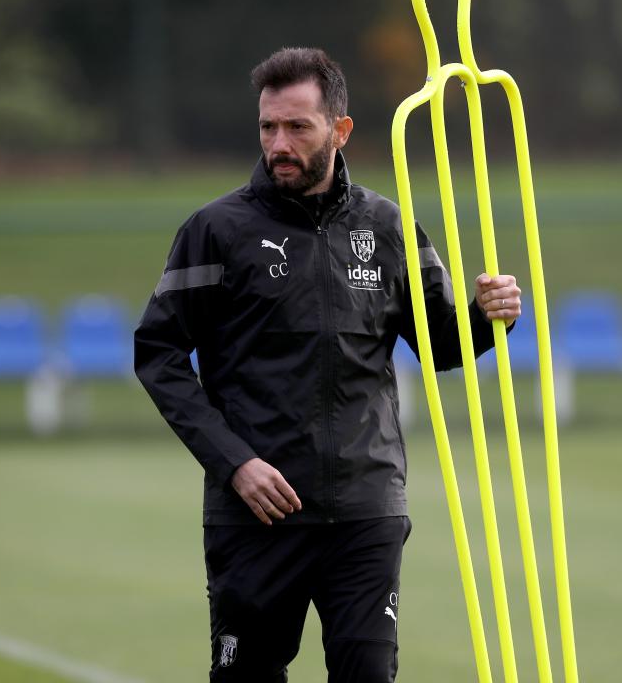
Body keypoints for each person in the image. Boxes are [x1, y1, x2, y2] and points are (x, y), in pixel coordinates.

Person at [134, 47, 521, 683]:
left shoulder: (388, 226)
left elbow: (442, 345)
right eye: (268, 127)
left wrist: (488, 316)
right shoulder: (215, 230)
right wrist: (235, 463)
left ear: (340, 130)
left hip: (366, 506)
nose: (278, 144)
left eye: (297, 127)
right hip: (257, 512)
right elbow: (158, 354)